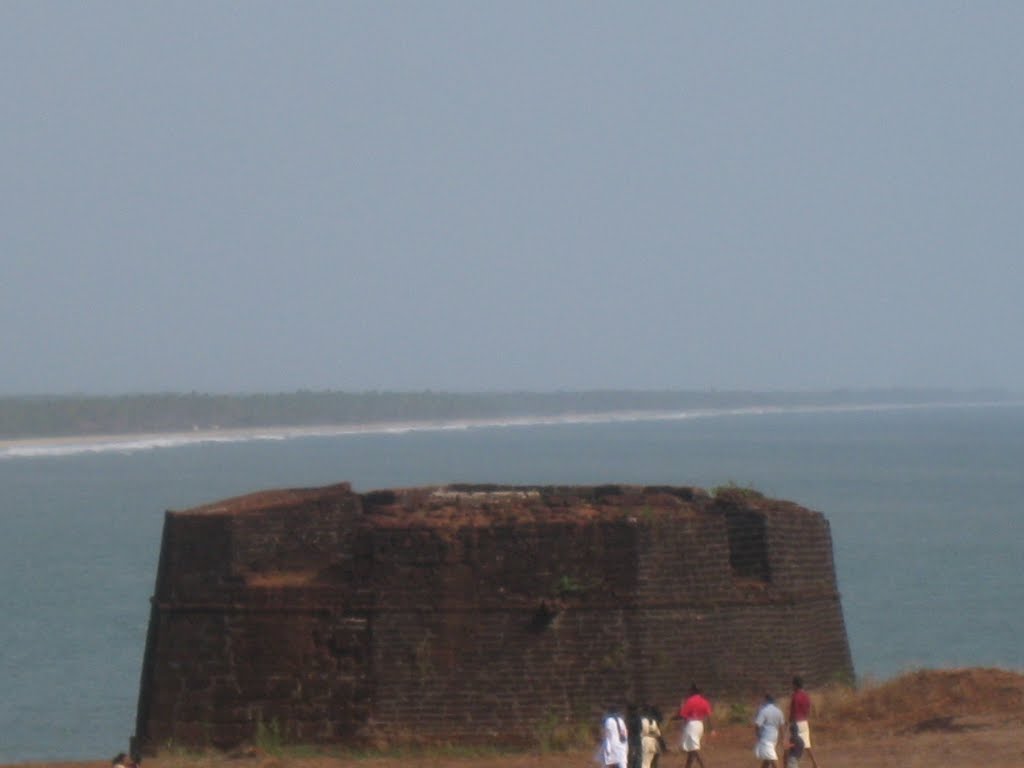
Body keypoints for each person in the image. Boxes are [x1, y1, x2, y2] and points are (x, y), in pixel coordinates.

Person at [672, 683, 713, 768]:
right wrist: (712, 729)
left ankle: (702, 765)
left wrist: (674, 718)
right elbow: (709, 715)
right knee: (691, 748)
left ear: (693, 691)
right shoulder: (704, 701)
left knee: (693, 748)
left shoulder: (690, 701)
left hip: (692, 725)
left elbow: (682, 715)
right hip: (700, 725)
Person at [788, 677, 819, 768]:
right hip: (804, 722)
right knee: (807, 745)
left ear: (795, 685)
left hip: (796, 723)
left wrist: (790, 722)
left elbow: (793, 711)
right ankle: (815, 764)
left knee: (791, 744)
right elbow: (809, 708)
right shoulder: (806, 696)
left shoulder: (795, 696)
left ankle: (789, 764)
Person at [754, 693, 785, 768]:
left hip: (766, 738)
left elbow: (757, 725)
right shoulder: (779, 711)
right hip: (774, 738)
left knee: (772, 760)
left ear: (766, 700)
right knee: (768, 760)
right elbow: (781, 726)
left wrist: (758, 735)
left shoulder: (764, 711)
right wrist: (782, 738)